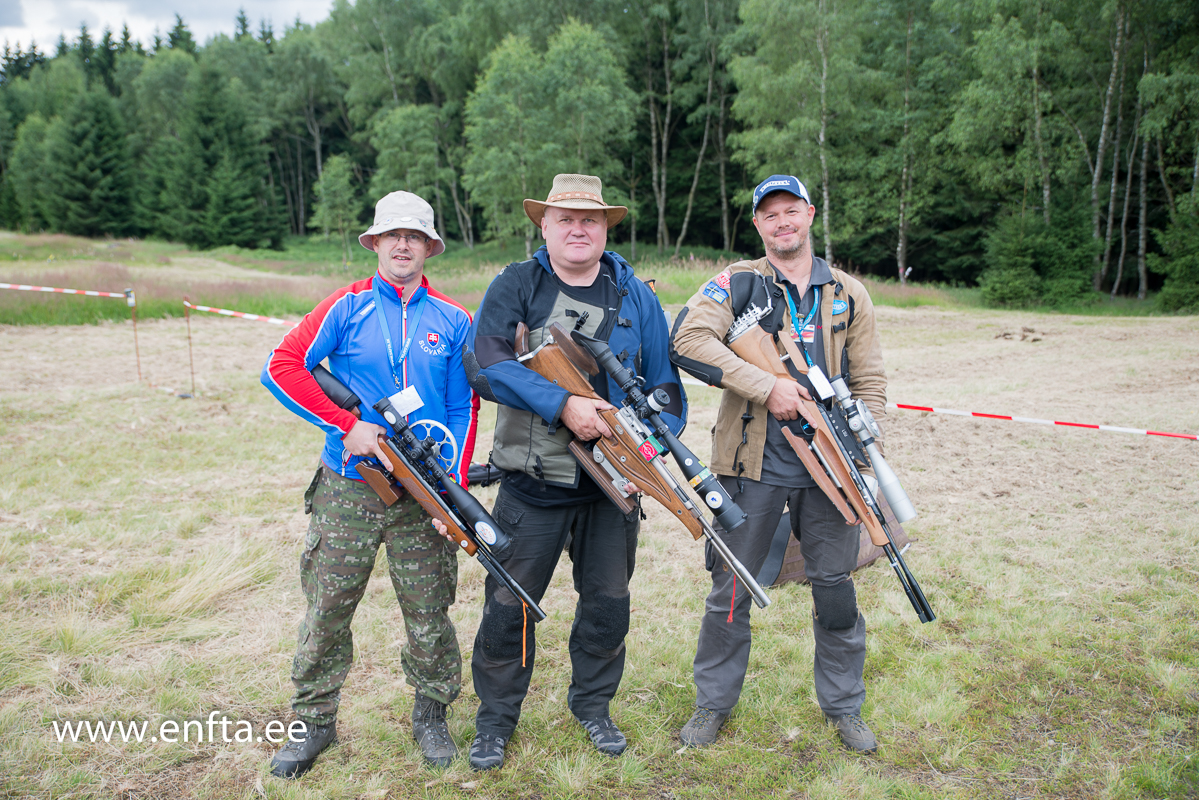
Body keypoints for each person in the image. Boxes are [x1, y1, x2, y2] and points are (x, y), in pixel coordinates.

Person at [462, 173, 686, 770]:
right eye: (566, 218)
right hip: (531, 484)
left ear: (606, 227)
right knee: (509, 609)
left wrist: (652, 444)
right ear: (545, 225)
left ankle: (593, 707)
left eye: (590, 219)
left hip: (614, 487)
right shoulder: (517, 283)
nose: (578, 228)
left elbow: (666, 385)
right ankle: (495, 722)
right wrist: (562, 403)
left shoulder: (635, 294)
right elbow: (489, 358)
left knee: (609, 606)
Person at [260, 191, 479, 776]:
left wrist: (449, 492)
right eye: (393, 235)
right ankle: (313, 723)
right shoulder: (345, 305)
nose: (403, 245)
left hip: (422, 490)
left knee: (430, 611)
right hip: (348, 487)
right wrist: (345, 424)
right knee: (327, 607)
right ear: (376, 243)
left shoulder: (455, 320)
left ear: (430, 247)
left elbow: (463, 408)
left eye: (415, 236)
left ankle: (431, 715)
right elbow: (281, 367)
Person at [669, 175, 888, 754]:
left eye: (791, 211)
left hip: (830, 463)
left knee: (835, 584)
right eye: (771, 215)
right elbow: (688, 339)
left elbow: (869, 380)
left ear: (809, 214)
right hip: (751, 463)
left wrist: (866, 444)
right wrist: (767, 386)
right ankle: (713, 705)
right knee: (732, 588)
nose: (782, 222)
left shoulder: (848, 293)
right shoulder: (737, 283)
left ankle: (844, 707)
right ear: (758, 225)